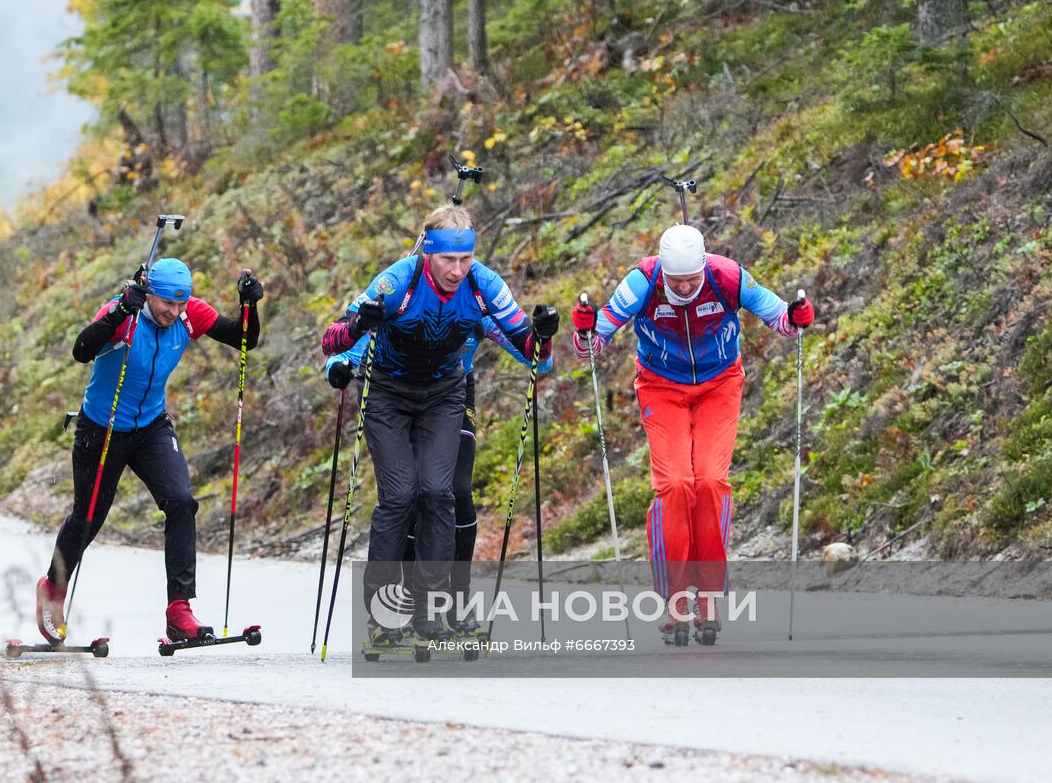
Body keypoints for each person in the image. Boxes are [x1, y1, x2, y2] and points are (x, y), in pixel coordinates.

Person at [321, 204, 558, 644]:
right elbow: (331, 339)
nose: (457, 269)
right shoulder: (396, 282)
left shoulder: (484, 284)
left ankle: (432, 613)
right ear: (428, 253)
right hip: (388, 395)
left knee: (438, 492)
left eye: (465, 259)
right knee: (399, 496)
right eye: (449, 260)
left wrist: (543, 333)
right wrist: (359, 326)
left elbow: (532, 350)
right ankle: (383, 614)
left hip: (444, 394)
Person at [571, 224, 813, 642]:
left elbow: (783, 322)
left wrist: (796, 317)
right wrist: (584, 329)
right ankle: (674, 598)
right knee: (676, 484)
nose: (684, 286)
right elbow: (589, 348)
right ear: (663, 270)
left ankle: (710, 596)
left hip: (719, 384)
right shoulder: (643, 282)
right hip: (661, 387)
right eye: (675, 279)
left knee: (712, 482)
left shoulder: (728, 277)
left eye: (691, 278)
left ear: (704, 266)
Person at [36, 258, 263, 644]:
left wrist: (249, 305)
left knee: (181, 501)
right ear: (150, 294)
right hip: (101, 428)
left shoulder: (189, 313)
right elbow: (81, 350)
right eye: (165, 305)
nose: (173, 313)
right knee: (88, 518)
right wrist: (123, 308)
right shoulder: (123, 311)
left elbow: (244, 339)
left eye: (180, 305)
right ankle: (53, 589)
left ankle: (179, 611)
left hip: (151, 428)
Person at [326, 321, 545, 637]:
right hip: (398, 391)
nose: (456, 271)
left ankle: (456, 598)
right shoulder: (412, 296)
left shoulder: (476, 300)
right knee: (407, 495)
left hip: (451, 392)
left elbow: (537, 356)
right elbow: (356, 341)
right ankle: (403, 604)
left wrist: (541, 336)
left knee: (453, 490)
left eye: (463, 267)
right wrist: (338, 365)